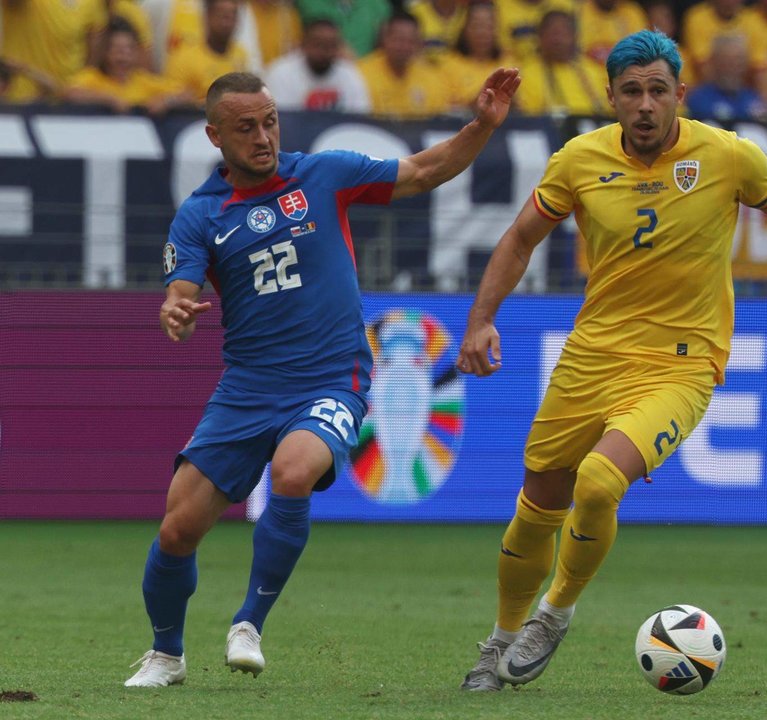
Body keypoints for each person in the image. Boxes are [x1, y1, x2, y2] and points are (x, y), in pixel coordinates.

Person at [456, 29, 767, 692]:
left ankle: (554, 613)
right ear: (612, 99)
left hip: (681, 363)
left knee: (597, 483)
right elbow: (519, 238)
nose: (645, 105)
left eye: (658, 90)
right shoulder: (578, 161)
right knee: (539, 502)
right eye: (631, 92)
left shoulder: (728, 156)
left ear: (680, 94)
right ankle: (498, 641)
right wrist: (480, 321)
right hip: (591, 354)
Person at [124, 66, 521, 688]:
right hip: (248, 386)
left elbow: (424, 170)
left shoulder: (323, 174)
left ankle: (248, 623)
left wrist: (482, 127)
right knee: (177, 529)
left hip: (332, 375)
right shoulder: (201, 215)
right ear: (214, 136)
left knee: (294, 469)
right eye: (246, 128)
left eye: (270, 122)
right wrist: (175, 309)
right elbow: (180, 290)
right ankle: (166, 655)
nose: (263, 137)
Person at [65, 20, 194, 115]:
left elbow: (187, 94)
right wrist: (109, 99)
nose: (123, 56)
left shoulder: (144, 81)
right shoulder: (91, 77)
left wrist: (167, 101)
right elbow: (69, 93)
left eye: (129, 49)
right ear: (104, 52)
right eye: (117, 49)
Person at [515, 10, 611, 116]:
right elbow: (530, 118)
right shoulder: (527, 75)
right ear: (540, 37)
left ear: (575, 37)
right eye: (552, 33)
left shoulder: (594, 70)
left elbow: (608, 111)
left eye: (563, 33)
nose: (558, 40)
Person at [357, 10, 451, 118]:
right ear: (385, 39)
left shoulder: (432, 80)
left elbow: (439, 121)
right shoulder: (361, 74)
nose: (404, 47)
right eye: (398, 39)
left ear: (419, 44)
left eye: (411, 41)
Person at [264, 18, 371, 112]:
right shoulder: (281, 73)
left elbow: (359, 118)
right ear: (303, 44)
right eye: (318, 44)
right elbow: (279, 120)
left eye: (331, 46)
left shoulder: (350, 74)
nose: (324, 51)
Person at [165, 0, 253, 103]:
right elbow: (171, 100)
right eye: (222, 15)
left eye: (232, 16)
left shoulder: (241, 55)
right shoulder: (184, 58)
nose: (227, 23)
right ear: (207, 16)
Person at [685, 35, 767, 122]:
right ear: (714, 62)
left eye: (739, 60)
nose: (733, 66)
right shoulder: (699, 100)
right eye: (727, 60)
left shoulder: (754, 99)